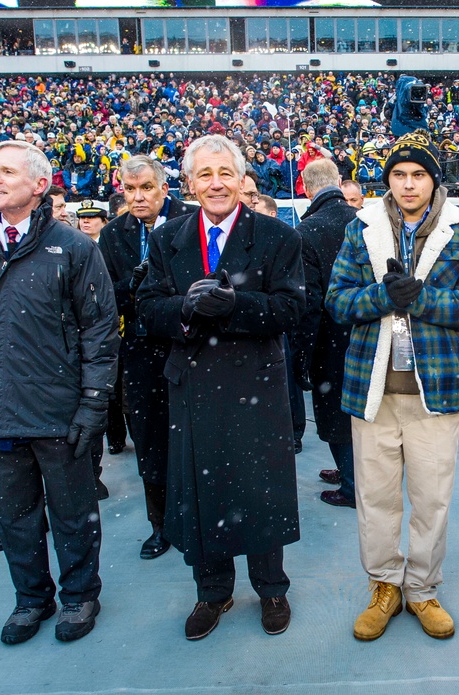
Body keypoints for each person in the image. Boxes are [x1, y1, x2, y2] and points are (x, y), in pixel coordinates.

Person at [0, 141, 119, 644]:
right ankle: (30, 599)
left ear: (39, 185)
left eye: (7, 172)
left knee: (72, 512)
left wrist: (93, 402)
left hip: (59, 412)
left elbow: (100, 334)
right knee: (14, 516)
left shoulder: (74, 248)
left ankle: (80, 596)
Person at [137, 135, 304, 641]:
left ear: (241, 178)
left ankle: (271, 587)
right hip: (194, 386)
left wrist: (235, 306)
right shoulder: (167, 240)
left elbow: (292, 308)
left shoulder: (278, 237)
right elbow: (146, 309)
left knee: (261, 489)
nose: (215, 184)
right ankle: (212, 591)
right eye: (204, 175)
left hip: (256, 383)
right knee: (200, 488)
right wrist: (186, 308)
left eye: (225, 173)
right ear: (188, 183)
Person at [325, 130, 459, 642]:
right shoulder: (362, 229)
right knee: (375, 499)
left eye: (418, 174)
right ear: (388, 180)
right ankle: (383, 586)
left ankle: (421, 588)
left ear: (434, 181)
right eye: (399, 174)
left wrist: (418, 299)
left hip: (435, 390)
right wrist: (381, 296)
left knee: (431, 499)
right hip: (372, 391)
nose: (408, 183)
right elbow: (337, 301)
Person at [97, 154, 193, 559]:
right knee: (150, 442)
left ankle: (199, 517)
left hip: (188, 346)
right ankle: (161, 524)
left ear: (163, 188)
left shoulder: (192, 220)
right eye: (130, 190)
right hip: (138, 350)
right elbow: (104, 300)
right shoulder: (113, 234)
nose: (138, 197)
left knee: (195, 438)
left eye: (146, 188)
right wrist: (131, 284)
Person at [290, 159, 359, 509]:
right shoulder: (362, 221)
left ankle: (351, 485)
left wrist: (301, 355)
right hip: (365, 332)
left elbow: (309, 301)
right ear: (338, 182)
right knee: (361, 409)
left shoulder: (307, 231)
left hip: (329, 338)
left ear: (304, 187)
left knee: (334, 411)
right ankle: (352, 471)